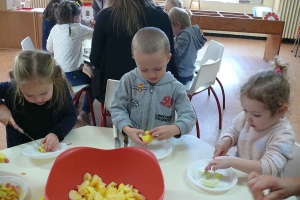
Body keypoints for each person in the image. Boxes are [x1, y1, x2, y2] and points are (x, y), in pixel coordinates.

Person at [204, 56, 295, 177]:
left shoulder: (283, 135)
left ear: (281, 111)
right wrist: (227, 140)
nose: (247, 118)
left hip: (264, 188)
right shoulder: (248, 117)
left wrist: (231, 161)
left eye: (256, 115)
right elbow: (234, 131)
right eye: (245, 110)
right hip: (241, 178)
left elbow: (268, 167)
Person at [110, 27, 196, 145]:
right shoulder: (128, 80)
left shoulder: (175, 87)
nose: (151, 74)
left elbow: (189, 116)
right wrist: (127, 129)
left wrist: (174, 129)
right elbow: (117, 108)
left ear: (168, 58)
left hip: (163, 145)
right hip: (133, 141)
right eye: (144, 69)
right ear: (135, 59)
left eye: (158, 68)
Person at [90, 0, 179, 103]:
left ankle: (85, 111)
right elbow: (170, 56)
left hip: (115, 94)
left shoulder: (104, 17)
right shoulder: (162, 17)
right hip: (154, 92)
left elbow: (95, 60)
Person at [0, 50, 77, 151]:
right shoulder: (11, 89)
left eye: (44, 93)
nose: (38, 99)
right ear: (18, 85)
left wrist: (56, 133)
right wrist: (1, 107)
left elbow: (71, 115)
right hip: (20, 152)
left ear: (54, 79)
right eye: (29, 95)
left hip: (52, 151)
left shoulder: (60, 88)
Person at [47, 0, 94, 125]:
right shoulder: (78, 28)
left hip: (56, 75)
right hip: (72, 76)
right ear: (75, 18)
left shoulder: (55, 28)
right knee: (94, 83)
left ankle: (71, 99)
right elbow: (95, 35)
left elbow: (49, 49)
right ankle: (85, 112)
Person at [168, 7, 207, 84]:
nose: (170, 29)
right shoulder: (192, 31)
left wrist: (166, 48)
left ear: (177, 24)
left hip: (181, 74)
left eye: (170, 26)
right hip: (189, 72)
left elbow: (176, 53)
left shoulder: (184, 35)